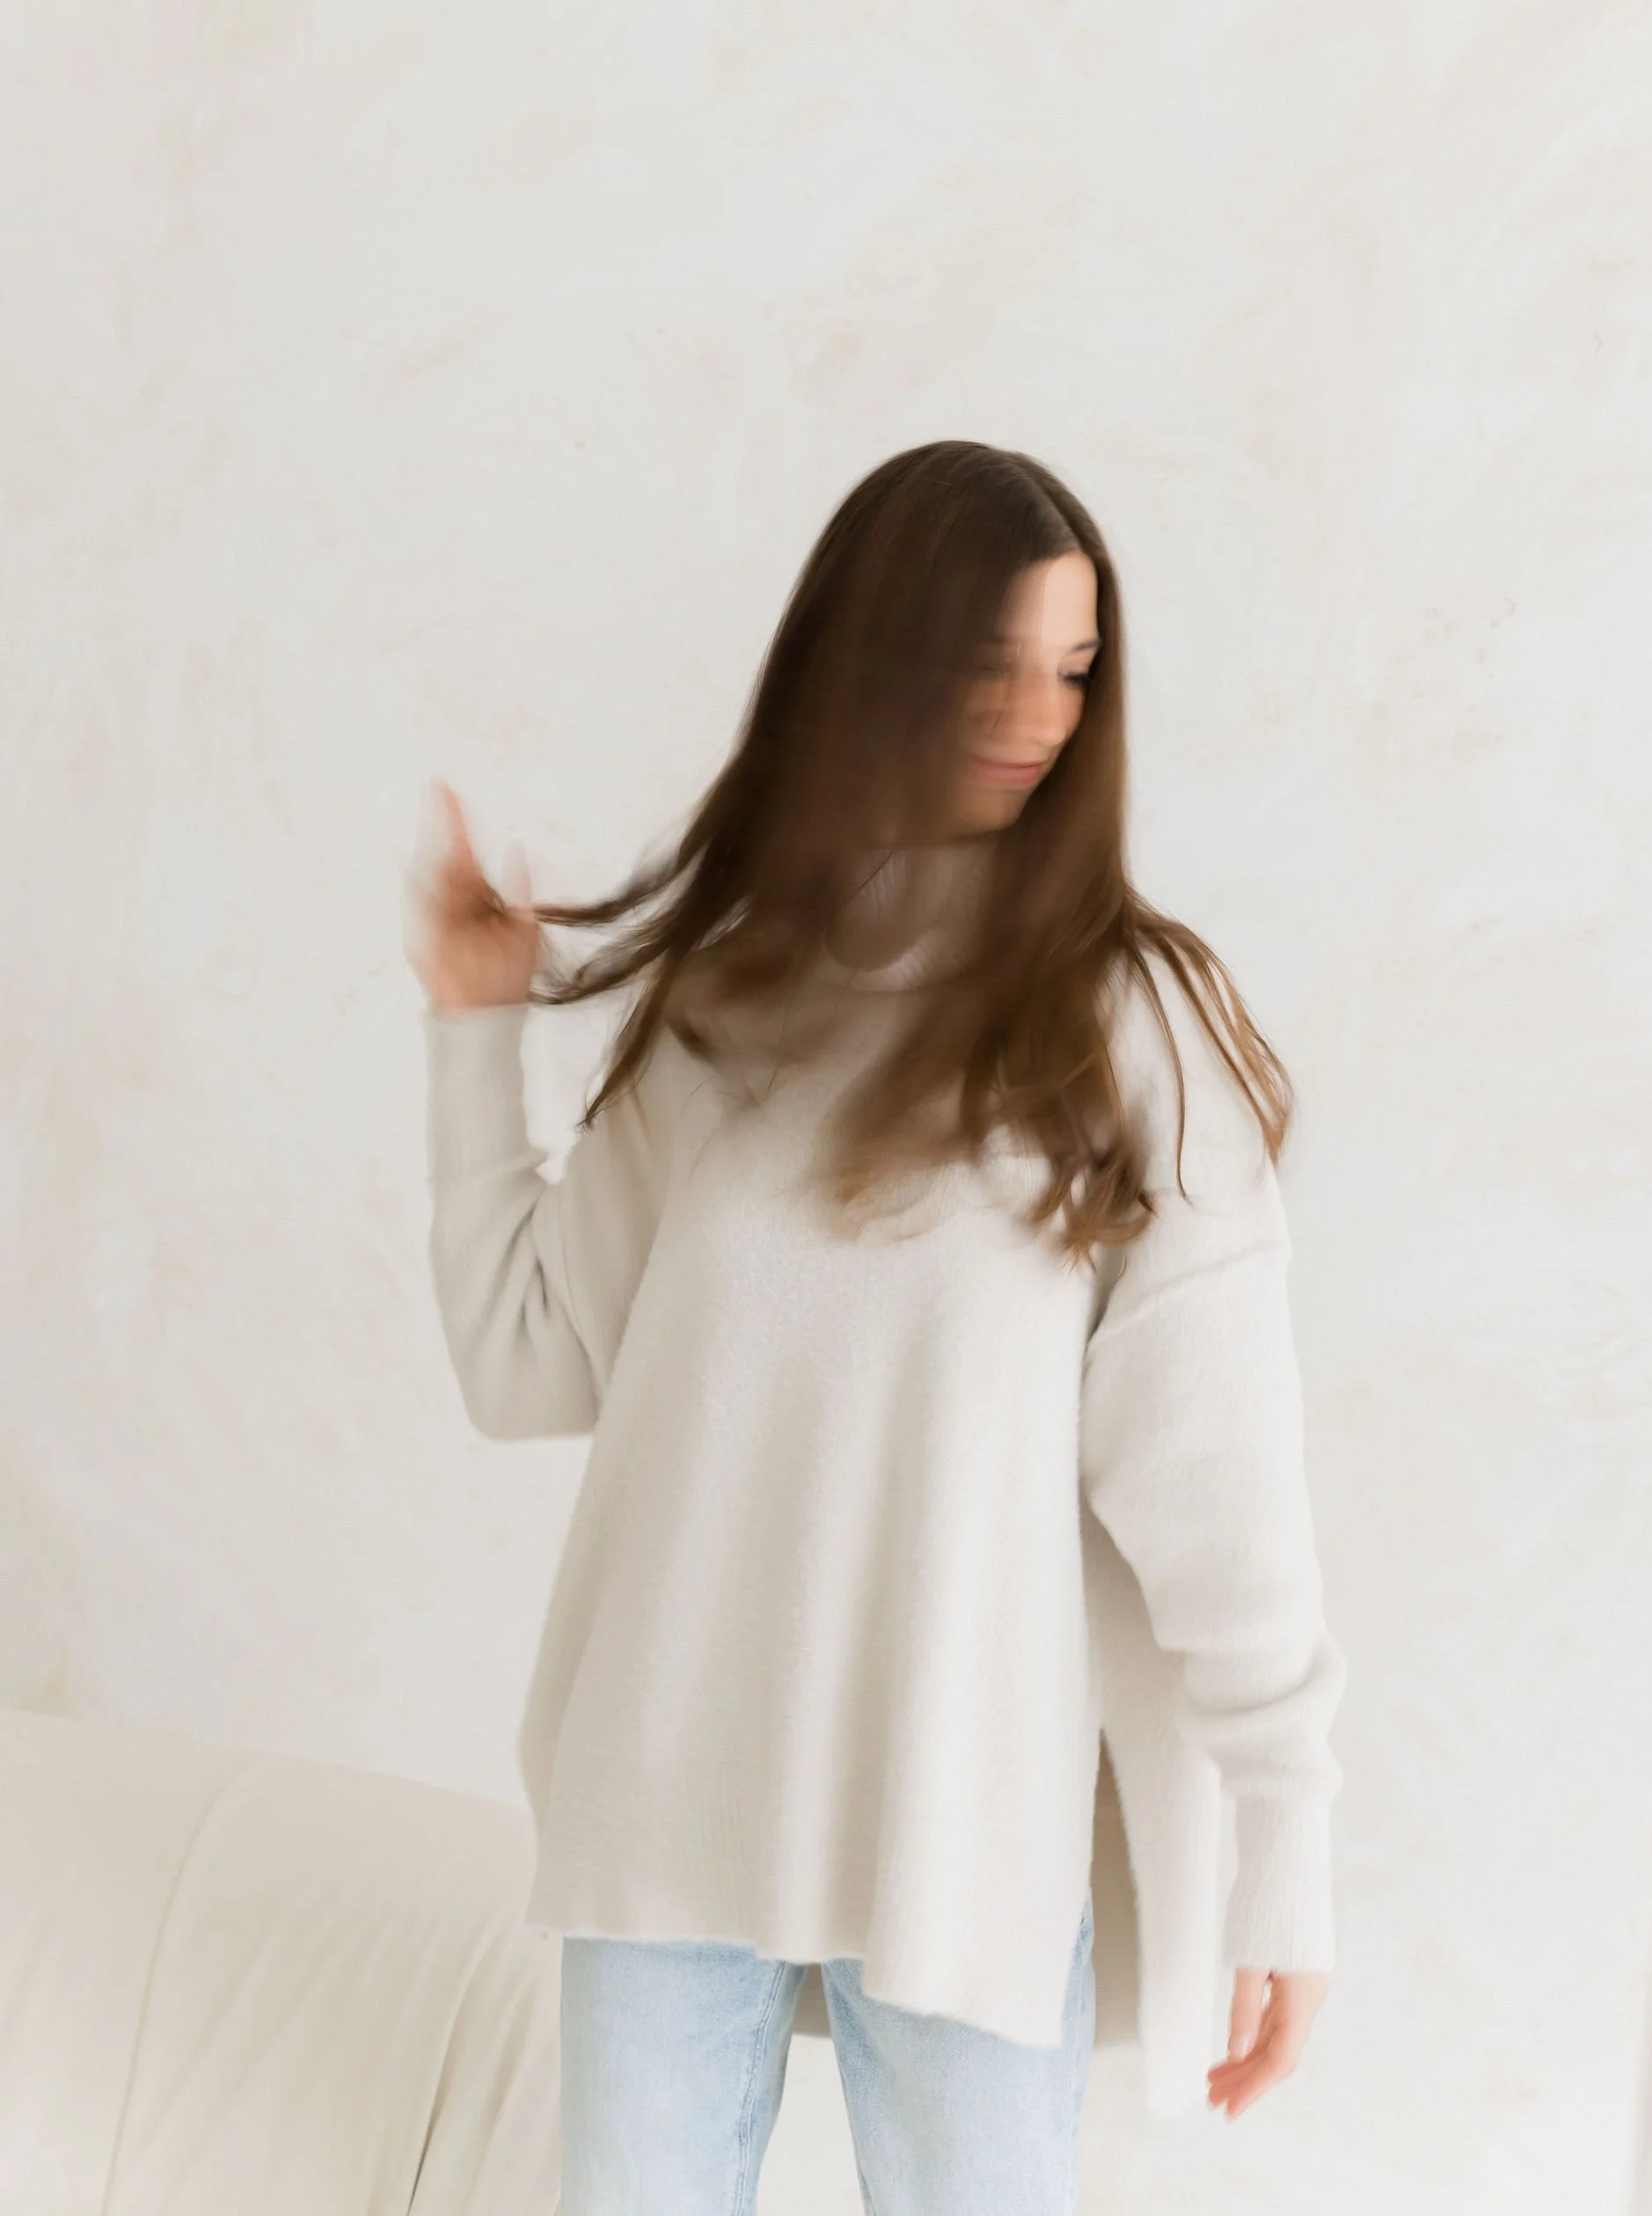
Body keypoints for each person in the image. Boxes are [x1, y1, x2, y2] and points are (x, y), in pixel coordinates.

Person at [403, 440, 1344, 2215]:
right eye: (991, 662)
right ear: (871, 656)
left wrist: (1285, 1857)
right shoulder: (735, 986)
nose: (1039, 715)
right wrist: (472, 1027)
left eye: (1072, 669)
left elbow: (1223, 1483)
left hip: (960, 1831)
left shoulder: (1131, 1024)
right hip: (662, 1810)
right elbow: (526, 1359)